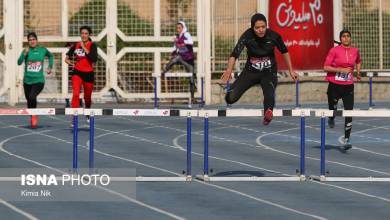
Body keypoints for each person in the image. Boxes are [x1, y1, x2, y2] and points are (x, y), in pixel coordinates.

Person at [221, 13, 298, 125]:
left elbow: (284, 51)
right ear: (252, 28)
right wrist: (229, 70)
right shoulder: (247, 36)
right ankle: (231, 94)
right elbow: (235, 54)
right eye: (257, 28)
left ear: (266, 26)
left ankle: (268, 113)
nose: (261, 30)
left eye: (263, 27)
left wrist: (291, 70)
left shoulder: (274, 36)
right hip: (250, 72)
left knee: (269, 92)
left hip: (269, 72)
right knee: (230, 98)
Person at [324, 29, 361, 150]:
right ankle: (331, 118)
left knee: (349, 111)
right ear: (340, 39)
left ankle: (346, 139)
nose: (346, 38)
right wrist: (341, 70)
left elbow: (358, 61)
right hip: (334, 84)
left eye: (348, 36)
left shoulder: (355, 51)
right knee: (332, 108)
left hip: (348, 85)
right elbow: (325, 67)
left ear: (350, 38)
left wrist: (358, 72)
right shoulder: (334, 51)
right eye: (343, 36)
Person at [17, 32, 53, 129]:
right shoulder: (26, 50)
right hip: (27, 81)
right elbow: (19, 62)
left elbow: (51, 56)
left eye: (33, 39)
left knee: (32, 96)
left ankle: (34, 116)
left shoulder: (42, 50)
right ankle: (32, 114)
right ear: (28, 41)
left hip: (39, 80)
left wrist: (50, 67)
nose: (32, 41)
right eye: (30, 40)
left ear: (36, 40)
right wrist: (24, 54)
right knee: (29, 100)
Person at [65, 26, 98, 124]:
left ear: (89, 35)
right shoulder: (76, 45)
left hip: (88, 74)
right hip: (77, 72)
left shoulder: (92, 45)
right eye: (82, 33)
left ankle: (87, 111)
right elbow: (67, 57)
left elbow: (93, 59)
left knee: (87, 98)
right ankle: (74, 118)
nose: (83, 35)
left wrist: (84, 48)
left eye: (86, 33)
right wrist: (70, 62)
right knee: (75, 94)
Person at [161, 21, 196, 106]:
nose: (178, 29)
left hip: (188, 60)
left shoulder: (186, 34)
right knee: (176, 58)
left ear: (183, 28)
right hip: (181, 58)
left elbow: (191, 42)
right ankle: (164, 71)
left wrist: (181, 41)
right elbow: (175, 48)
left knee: (191, 79)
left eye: (180, 28)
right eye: (177, 28)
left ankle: (192, 97)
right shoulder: (176, 37)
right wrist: (173, 50)